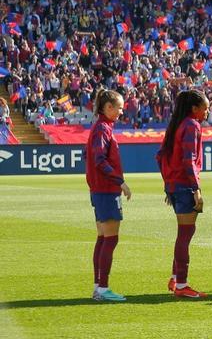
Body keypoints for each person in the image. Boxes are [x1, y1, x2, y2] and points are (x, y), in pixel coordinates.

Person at [157, 90, 209, 299]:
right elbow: (189, 159)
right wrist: (196, 189)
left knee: (183, 234)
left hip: (175, 184)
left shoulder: (177, 124)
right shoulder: (191, 125)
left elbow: (160, 156)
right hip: (185, 185)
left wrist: (169, 182)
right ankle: (182, 285)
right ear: (194, 109)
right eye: (205, 108)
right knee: (185, 235)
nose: (207, 111)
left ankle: (175, 278)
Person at [86, 89, 132, 302]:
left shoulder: (101, 127)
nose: (122, 111)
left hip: (100, 190)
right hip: (105, 190)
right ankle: (103, 288)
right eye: (120, 107)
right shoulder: (103, 129)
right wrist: (119, 181)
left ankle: (99, 287)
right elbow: (99, 159)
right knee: (110, 239)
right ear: (109, 107)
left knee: (103, 238)